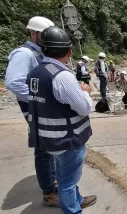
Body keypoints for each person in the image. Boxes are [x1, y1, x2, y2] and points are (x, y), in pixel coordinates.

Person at [27, 26, 97, 213]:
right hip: (67, 140)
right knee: (67, 181)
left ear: (43, 48)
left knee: (64, 175)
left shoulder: (35, 72)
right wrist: (85, 92)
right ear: (69, 52)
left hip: (47, 139)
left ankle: (78, 199)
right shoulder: (62, 76)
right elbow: (84, 107)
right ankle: (73, 210)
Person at [5, 16, 59, 206]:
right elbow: (13, 82)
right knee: (44, 149)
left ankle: (51, 182)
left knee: (48, 146)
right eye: (44, 34)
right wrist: (38, 99)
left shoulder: (39, 53)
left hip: (39, 106)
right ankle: (50, 193)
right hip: (33, 107)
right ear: (34, 33)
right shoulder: (24, 54)